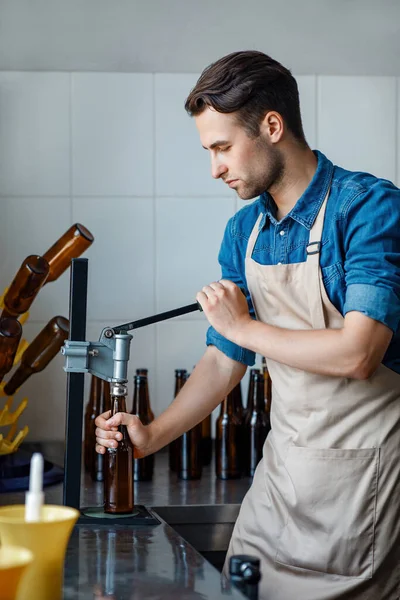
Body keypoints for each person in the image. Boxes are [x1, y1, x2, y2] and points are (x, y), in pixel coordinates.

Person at [95, 51, 400, 599]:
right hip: (277, 493)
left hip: (361, 496)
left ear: (272, 126)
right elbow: (223, 358)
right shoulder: (244, 232)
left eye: (221, 147)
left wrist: (242, 327)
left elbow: (359, 354)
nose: (215, 167)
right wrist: (152, 436)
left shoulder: (368, 209)